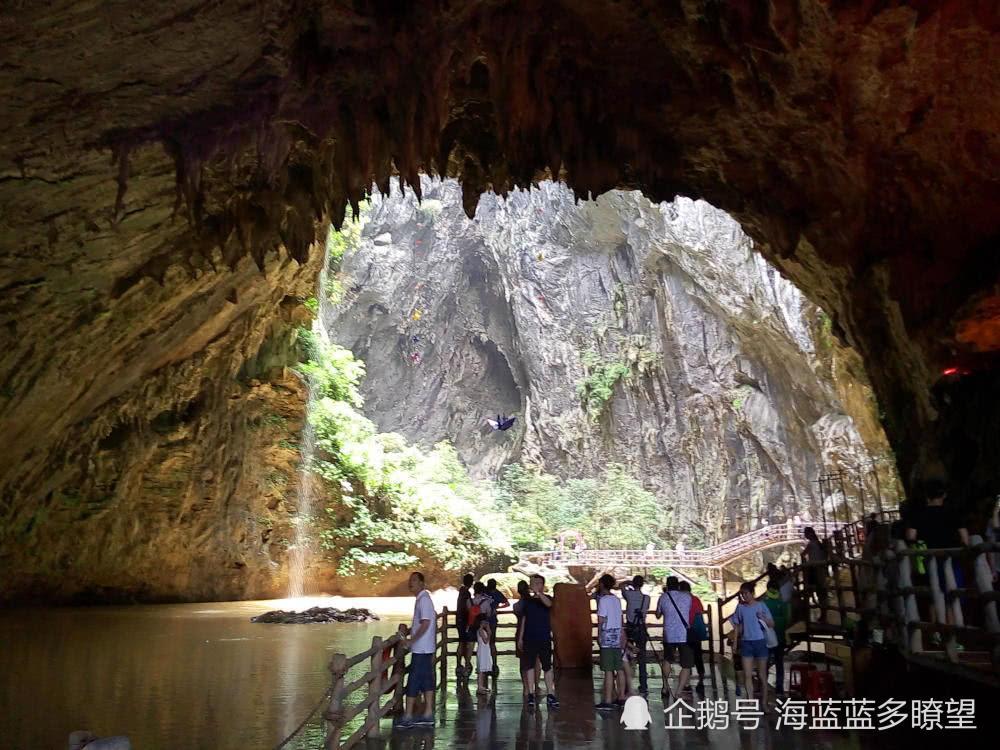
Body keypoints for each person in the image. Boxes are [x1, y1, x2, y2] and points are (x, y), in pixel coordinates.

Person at [398, 572, 437, 729]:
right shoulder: (423, 599)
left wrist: (411, 640)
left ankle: (408, 716)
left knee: (413, 680)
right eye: (410, 580)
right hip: (425, 647)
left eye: (414, 580)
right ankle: (427, 714)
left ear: (422, 583)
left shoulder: (424, 600)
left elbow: (426, 622)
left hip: (421, 648)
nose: (410, 583)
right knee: (427, 679)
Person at [730, 581, 774, 712]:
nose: (744, 596)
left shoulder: (761, 606)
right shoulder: (740, 608)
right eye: (742, 594)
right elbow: (737, 625)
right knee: (747, 675)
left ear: (752, 593)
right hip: (746, 643)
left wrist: (763, 618)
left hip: (760, 642)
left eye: (746, 593)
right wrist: (735, 642)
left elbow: (771, 624)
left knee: (762, 675)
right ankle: (750, 701)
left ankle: (764, 703)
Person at [516, 574, 559, 708]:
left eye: (538, 583)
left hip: (544, 637)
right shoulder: (527, 601)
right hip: (529, 637)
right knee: (529, 666)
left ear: (542, 585)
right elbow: (524, 619)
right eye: (533, 583)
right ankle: (530, 693)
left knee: (547, 666)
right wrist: (520, 637)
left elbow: (549, 604)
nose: (535, 585)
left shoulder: (547, 598)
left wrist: (539, 594)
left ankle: (550, 694)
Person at [656, 576, 694, 700]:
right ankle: (678, 692)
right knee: (686, 664)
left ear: (667, 585)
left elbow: (657, 615)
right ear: (678, 585)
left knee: (667, 660)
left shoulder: (663, 597)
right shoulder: (687, 597)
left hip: (669, 634)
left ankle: (665, 687)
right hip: (684, 634)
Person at [595, 574, 627, 710]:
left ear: (602, 584)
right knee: (618, 668)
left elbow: (601, 620)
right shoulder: (616, 600)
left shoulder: (603, 600)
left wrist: (599, 634)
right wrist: (622, 634)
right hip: (617, 633)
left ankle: (607, 700)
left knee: (608, 669)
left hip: (607, 633)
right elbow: (620, 618)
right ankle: (621, 697)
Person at [622, 575, 650, 695]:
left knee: (626, 657)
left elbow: (620, 586)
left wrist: (628, 582)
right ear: (642, 584)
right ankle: (643, 686)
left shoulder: (629, 595)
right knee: (642, 657)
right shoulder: (646, 598)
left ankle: (627, 686)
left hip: (630, 628)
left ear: (633, 584)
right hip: (641, 628)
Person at [762, 577, 790, 696]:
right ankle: (779, 689)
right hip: (779, 638)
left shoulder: (763, 604)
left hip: (766, 638)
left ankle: (763, 687)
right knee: (779, 663)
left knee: (764, 663)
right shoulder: (783, 604)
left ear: (767, 589)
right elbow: (788, 620)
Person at [678, 581, 706, 694]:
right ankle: (701, 676)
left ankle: (687, 681)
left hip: (684, 631)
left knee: (686, 656)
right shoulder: (695, 599)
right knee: (698, 654)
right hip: (696, 631)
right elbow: (700, 613)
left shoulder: (681, 600)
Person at [802, 526, 829, 623]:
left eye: (805, 534)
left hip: (815, 570)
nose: (805, 535)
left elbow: (803, 554)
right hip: (821, 570)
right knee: (822, 592)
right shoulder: (818, 543)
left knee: (818, 591)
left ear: (809, 534)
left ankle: (821, 615)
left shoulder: (811, 544)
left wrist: (805, 563)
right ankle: (824, 614)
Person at [486, 578, 510, 675]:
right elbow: (507, 603)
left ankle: (486, 665)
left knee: (484, 643)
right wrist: (497, 607)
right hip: (492, 620)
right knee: (492, 643)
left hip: (483, 620)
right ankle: (494, 665)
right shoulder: (497, 593)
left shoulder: (484, 591)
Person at [456, 573, 476, 680]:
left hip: (458, 620)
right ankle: (467, 666)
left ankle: (458, 665)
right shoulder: (467, 593)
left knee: (461, 642)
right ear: (471, 582)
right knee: (468, 644)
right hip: (464, 621)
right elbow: (469, 607)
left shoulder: (461, 591)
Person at [475, 614, 493, 695]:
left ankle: (481, 686)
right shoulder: (480, 630)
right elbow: (485, 641)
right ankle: (479, 687)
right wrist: (489, 633)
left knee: (482, 670)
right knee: (481, 670)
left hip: (485, 650)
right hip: (482, 650)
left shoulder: (483, 630)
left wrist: (488, 630)